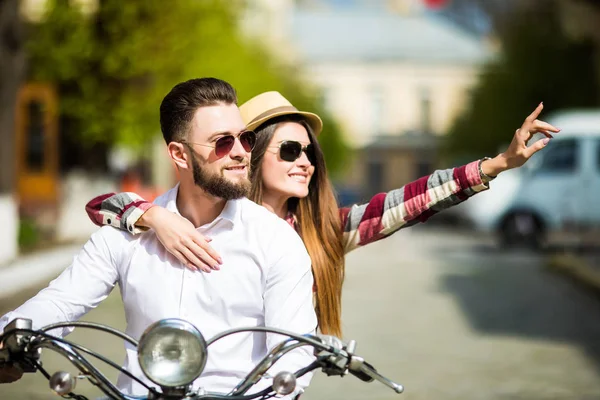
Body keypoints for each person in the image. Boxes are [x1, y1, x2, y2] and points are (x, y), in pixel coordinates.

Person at [85, 92, 560, 338]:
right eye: (289, 150)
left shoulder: (321, 231)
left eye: (309, 151)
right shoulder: (209, 216)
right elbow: (101, 206)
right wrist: (154, 218)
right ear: (252, 155)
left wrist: (496, 165)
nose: (305, 161)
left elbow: (407, 202)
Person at [0, 79, 318, 397]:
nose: (240, 153)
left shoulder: (277, 241)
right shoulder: (128, 235)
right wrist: (8, 335)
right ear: (179, 155)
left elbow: (292, 352)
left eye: (245, 139)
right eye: (222, 143)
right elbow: (60, 301)